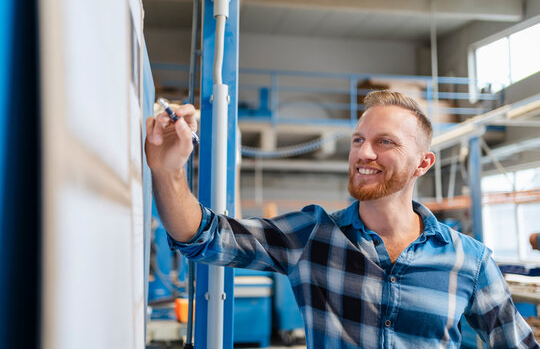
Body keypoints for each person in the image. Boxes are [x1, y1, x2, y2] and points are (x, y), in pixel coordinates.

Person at [145, 90, 539, 348]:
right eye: (357, 140)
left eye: (384, 142)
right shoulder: (312, 236)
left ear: (423, 163)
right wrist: (169, 170)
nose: (364, 152)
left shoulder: (468, 260)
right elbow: (202, 235)